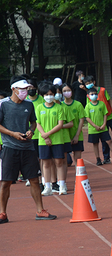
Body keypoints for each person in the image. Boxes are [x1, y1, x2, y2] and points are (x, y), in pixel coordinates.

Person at [0, 76, 57, 223]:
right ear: (14, 89)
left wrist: (31, 131)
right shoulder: (3, 104)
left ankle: (40, 211)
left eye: (27, 88)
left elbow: (33, 122)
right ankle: (2, 213)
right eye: (23, 89)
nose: (26, 91)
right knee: (6, 182)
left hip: (28, 148)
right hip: (10, 148)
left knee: (34, 180)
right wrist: (13, 134)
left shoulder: (29, 105)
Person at [83, 76, 112, 163]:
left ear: (94, 82)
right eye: (86, 84)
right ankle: (106, 157)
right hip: (100, 120)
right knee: (104, 138)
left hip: (109, 116)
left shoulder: (102, 90)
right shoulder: (88, 95)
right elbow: (88, 109)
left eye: (89, 82)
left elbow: (109, 101)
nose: (88, 85)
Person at [36, 82, 66, 196]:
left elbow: (60, 124)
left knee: (59, 162)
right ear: (43, 95)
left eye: (51, 94)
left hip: (57, 139)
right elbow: (37, 123)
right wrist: (44, 135)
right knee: (46, 163)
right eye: (47, 94)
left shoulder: (59, 107)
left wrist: (47, 134)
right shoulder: (39, 107)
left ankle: (62, 185)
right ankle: (47, 186)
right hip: (43, 140)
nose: (49, 96)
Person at [84, 87, 112, 167]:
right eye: (92, 94)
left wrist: (104, 124)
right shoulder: (88, 106)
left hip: (103, 128)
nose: (94, 95)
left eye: (95, 94)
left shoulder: (101, 104)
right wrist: (95, 126)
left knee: (109, 141)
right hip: (93, 129)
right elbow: (87, 118)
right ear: (88, 96)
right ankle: (98, 158)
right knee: (95, 143)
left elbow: (105, 114)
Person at [62, 83, 86, 163]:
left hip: (77, 135)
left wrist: (77, 136)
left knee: (78, 159)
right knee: (64, 161)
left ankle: (79, 175)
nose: (67, 92)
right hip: (64, 137)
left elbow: (81, 120)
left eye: (68, 90)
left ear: (72, 91)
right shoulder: (60, 106)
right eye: (64, 91)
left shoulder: (78, 104)